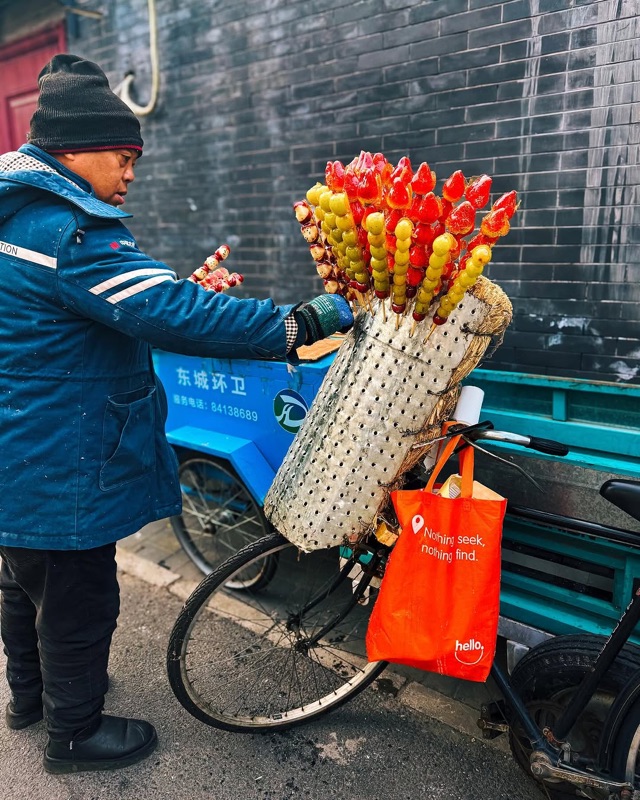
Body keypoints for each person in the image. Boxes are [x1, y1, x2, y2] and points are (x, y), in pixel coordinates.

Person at [0, 54, 352, 774]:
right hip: (60, 454)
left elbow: (91, 310)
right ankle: (75, 735)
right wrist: (296, 325)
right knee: (79, 599)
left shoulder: (16, 218)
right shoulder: (70, 232)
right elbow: (170, 310)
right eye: (123, 157)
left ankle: (29, 699)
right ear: (72, 149)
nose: (131, 173)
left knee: (21, 584)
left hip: (18, 446)